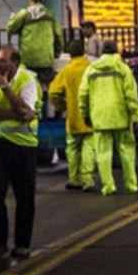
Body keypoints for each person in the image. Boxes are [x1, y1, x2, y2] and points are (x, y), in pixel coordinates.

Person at [0, 45, 40, 260]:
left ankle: (22, 245)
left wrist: (6, 88)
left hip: (23, 146)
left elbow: (27, 110)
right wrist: (13, 114)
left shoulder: (27, 81)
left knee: (24, 196)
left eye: (3, 61)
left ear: (15, 63)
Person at [79, 41, 138, 196]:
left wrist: (85, 114)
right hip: (121, 117)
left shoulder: (91, 69)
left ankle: (108, 186)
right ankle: (131, 185)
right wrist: (136, 115)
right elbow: (131, 95)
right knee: (126, 151)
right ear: (117, 52)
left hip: (100, 117)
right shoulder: (123, 68)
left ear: (102, 52)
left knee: (103, 153)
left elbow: (83, 94)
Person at [48, 40, 95, 191]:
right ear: (83, 52)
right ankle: (87, 180)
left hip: (73, 118)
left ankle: (74, 179)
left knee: (73, 149)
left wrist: (63, 106)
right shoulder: (91, 68)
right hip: (90, 117)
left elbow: (53, 93)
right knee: (88, 148)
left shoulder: (66, 71)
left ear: (70, 54)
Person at [7, 0, 64, 86]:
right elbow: (58, 35)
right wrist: (57, 52)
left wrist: (12, 18)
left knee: (29, 87)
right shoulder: (50, 13)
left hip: (28, 61)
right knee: (45, 87)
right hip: (46, 60)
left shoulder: (25, 13)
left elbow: (11, 29)